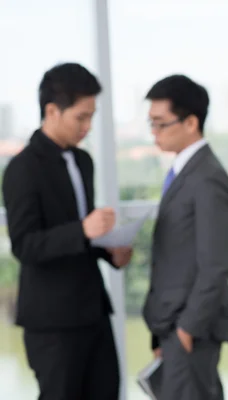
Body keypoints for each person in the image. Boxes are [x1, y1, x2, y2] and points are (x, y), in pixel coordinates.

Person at [2, 62, 133, 400]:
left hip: (93, 311)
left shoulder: (83, 162)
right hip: (52, 322)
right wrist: (83, 230)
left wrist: (109, 251)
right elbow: (25, 245)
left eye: (92, 116)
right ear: (52, 111)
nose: (87, 127)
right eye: (81, 117)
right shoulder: (22, 169)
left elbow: (81, 236)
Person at [142, 74, 228, 400]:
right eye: (151, 123)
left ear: (191, 122)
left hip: (190, 328)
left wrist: (187, 328)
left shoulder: (207, 177)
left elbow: (216, 263)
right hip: (172, 326)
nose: (154, 132)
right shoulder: (184, 171)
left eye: (161, 123)